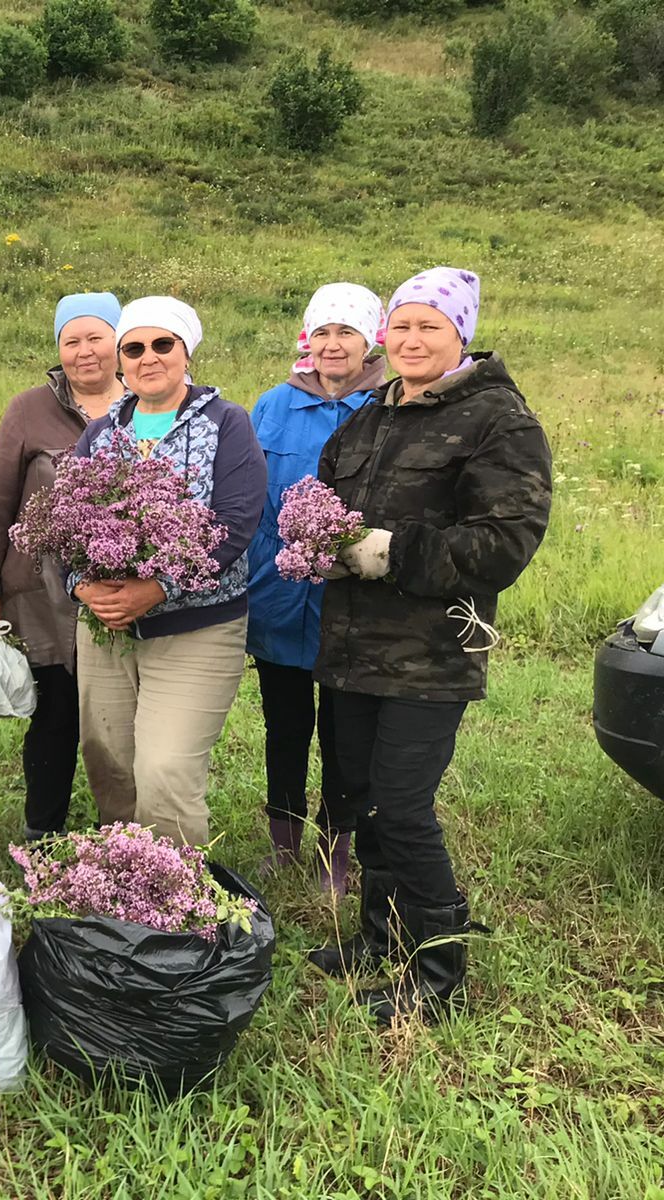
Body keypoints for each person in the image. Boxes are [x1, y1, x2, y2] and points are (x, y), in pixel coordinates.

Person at [309, 267, 552, 1023]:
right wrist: (312, 535)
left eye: (430, 328)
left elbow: (507, 541)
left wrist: (393, 551)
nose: (412, 340)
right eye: (402, 326)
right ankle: (380, 939)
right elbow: (324, 495)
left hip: (430, 655)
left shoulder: (497, 421)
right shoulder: (370, 415)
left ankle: (439, 973)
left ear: (461, 336)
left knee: (405, 809)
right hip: (351, 647)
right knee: (361, 800)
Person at [70, 296, 266, 846]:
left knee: (165, 771)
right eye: (134, 348)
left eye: (163, 345)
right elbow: (64, 523)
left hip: (195, 627)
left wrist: (157, 588)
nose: (148, 358)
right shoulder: (102, 433)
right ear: (120, 360)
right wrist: (82, 585)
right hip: (106, 627)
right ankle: (127, 891)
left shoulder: (227, 424)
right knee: (109, 763)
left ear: (186, 352)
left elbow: (233, 523)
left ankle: (182, 911)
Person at [0, 292, 122, 840]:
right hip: (43, 591)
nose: (85, 351)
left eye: (96, 337)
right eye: (71, 340)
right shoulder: (28, 409)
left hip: (123, 594)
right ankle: (44, 833)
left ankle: (121, 840)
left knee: (115, 722)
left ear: (119, 342)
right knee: (53, 717)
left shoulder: (148, 404)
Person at [246, 283, 387, 894]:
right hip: (277, 594)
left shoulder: (387, 406)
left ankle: (337, 853)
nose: (333, 345)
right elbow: (247, 496)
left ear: (369, 341)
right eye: (322, 333)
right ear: (307, 340)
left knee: (344, 732)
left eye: (347, 333)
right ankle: (283, 844)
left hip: (349, 601)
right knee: (284, 725)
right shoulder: (272, 406)